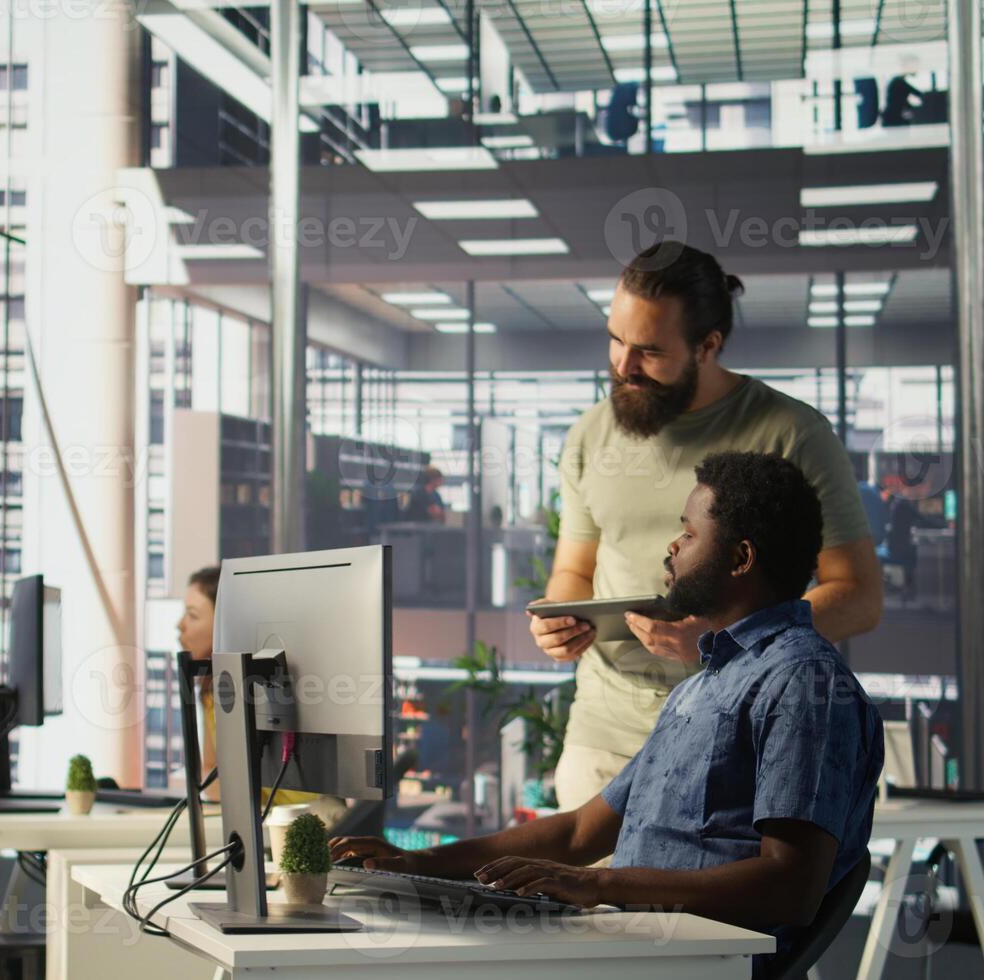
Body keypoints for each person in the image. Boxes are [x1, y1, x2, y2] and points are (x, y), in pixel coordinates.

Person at [335, 452, 882, 980]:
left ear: (741, 558)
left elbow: (791, 886)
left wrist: (598, 887)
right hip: (628, 949)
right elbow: (579, 833)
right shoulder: (702, 686)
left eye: (689, 534)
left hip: (695, 966)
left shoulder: (803, 684)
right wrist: (415, 864)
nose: (673, 546)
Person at [528, 241, 880, 810]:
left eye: (647, 350)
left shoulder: (793, 434)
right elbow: (575, 569)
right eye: (616, 340)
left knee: (697, 904)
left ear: (707, 346)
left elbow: (859, 597)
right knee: (582, 900)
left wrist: (727, 640)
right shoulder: (590, 434)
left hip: (737, 731)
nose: (622, 365)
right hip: (604, 733)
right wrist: (561, 620)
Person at [177, 567, 340, 820]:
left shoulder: (273, 680)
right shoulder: (211, 688)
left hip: (313, 815)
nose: (180, 625)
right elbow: (210, 767)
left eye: (192, 616)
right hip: (262, 821)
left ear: (226, 622)